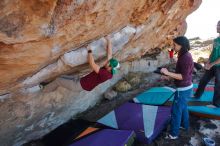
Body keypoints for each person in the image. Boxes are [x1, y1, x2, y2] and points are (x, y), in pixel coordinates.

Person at [42, 37, 120, 93]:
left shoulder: (105, 74)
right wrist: (108, 40)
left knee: (59, 80)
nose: (107, 62)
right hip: (80, 80)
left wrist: (89, 50)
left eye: (108, 63)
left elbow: (92, 64)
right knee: (60, 78)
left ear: (110, 68)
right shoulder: (109, 69)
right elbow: (110, 54)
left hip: (78, 85)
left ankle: (44, 89)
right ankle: (51, 87)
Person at [160, 36, 194, 139]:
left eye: (175, 45)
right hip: (186, 88)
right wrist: (168, 77)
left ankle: (173, 134)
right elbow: (181, 74)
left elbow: (182, 76)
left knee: (176, 111)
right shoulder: (184, 55)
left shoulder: (185, 58)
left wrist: (167, 72)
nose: (173, 46)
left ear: (181, 45)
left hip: (183, 89)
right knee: (183, 108)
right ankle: (185, 125)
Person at [193, 21, 220, 107]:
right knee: (203, 80)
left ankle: (216, 104)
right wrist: (208, 61)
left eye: (219, 25)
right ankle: (197, 95)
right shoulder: (216, 40)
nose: (217, 27)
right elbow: (213, 51)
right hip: (212, 64)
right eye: (217, 25)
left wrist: (211, 64)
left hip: (218, 66)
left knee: (218, 85)